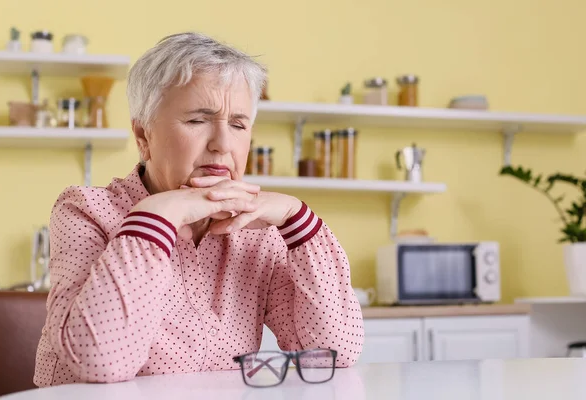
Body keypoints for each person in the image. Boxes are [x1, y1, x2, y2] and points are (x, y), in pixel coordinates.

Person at [33, 32, 364, 387]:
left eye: (238, 125)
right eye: (197, 121)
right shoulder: (87, 211)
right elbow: (101, 363)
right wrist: (158, 215)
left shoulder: (256, 233)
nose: (223, 145)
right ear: (143, 137)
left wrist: (298, 217)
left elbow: (333, 350)